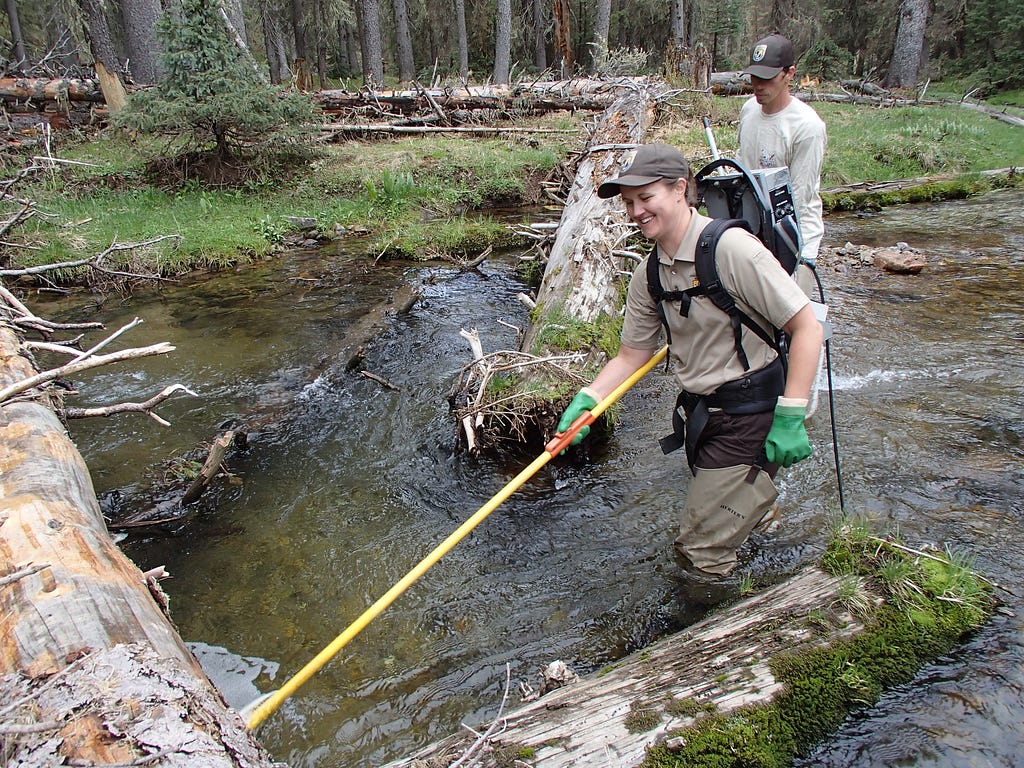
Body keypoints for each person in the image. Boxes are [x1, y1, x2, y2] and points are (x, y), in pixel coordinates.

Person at [557, 143, 823, 577]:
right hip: (704, 414)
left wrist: (791, 417)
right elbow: (632, 354)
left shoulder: (733, 249)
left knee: (699, 553)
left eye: (646, 197)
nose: (636, 211)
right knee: (730, 517)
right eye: (628, 202)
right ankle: (765, 538)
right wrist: (589, 399)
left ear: (680, 189)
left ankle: (727, 631)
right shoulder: (650, 274)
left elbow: (806, 327)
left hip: (754, 413)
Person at [738, 34, 827, 269]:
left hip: (794, 239)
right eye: (754, 76)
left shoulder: (807, 127)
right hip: (752, 233)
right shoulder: (749, 110)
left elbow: (800, 196)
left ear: (789, 74)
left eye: (767, 78)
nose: (758, 85)